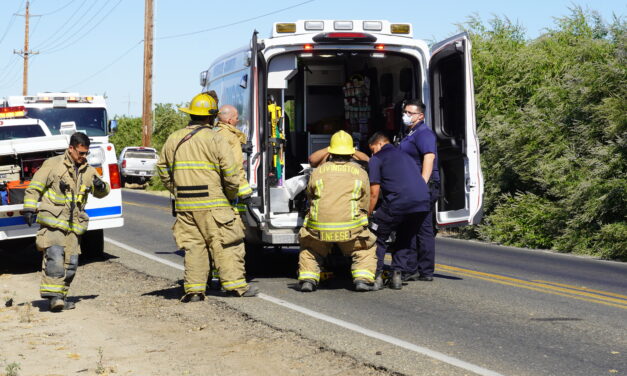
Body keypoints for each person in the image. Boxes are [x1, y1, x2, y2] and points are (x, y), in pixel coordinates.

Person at [157, 92, 258, 302]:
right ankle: (235, 286)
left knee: (194, 247)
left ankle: (194, 291)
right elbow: (231, 174)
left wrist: (177, 189)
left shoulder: (174, 138)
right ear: (211, 117)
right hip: (214, 203)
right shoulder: (216, 138)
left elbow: (163, 169)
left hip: (185, 204)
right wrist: (229, 195)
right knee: (227, 243)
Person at [22, 132, 110, 312]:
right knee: (54, 257)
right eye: (81, 153)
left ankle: (61, 295)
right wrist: (29, 208)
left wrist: (102, 187)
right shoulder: (53, 165)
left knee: (71, 264)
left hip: (73, 226)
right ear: (71, 148)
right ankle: (54, 298)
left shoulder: (88, 170)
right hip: (53, 220)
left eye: (86, 153)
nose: (84, 157)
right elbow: (35, 187)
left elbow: (102, 191)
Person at [298, 130, 377, 292]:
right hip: (350, 227)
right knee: (364, 249)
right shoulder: (361, 173)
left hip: (319, 228)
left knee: (310, 250)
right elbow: (365, 200)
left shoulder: (318, 171)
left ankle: (308, 279)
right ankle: (362, 279)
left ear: (331, 152)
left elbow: (310, 196)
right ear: (351, 153)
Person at [368, 131, 430, 290]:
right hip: (422, 203)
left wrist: (367, 214)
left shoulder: (377, 158)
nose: (372, 153)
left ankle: (377, 276)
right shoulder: (406, 157)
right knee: (405, 237)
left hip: (399, 202)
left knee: (377, 236)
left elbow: (374, 192)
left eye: (372, 149)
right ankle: (397, 275)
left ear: (380, 144)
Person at [398, 100, 440, 281]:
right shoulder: (411, 132)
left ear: (420, 116)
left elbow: (429, 158)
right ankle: (420, 270)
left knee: (416, 228)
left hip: (422, 188)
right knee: (418, 228)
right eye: (405, 112)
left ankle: (417, 269)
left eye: (409, 113)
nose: (405, 115)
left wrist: (422, 184)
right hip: (414, 187)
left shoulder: (424, 134)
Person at [214, 104, 253, 213]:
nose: (238, 120)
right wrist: (245, 192)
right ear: (230, 121)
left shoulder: (213, 132)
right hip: (228, 189)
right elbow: (235, 167)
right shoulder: (232, 137)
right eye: (236, 118)